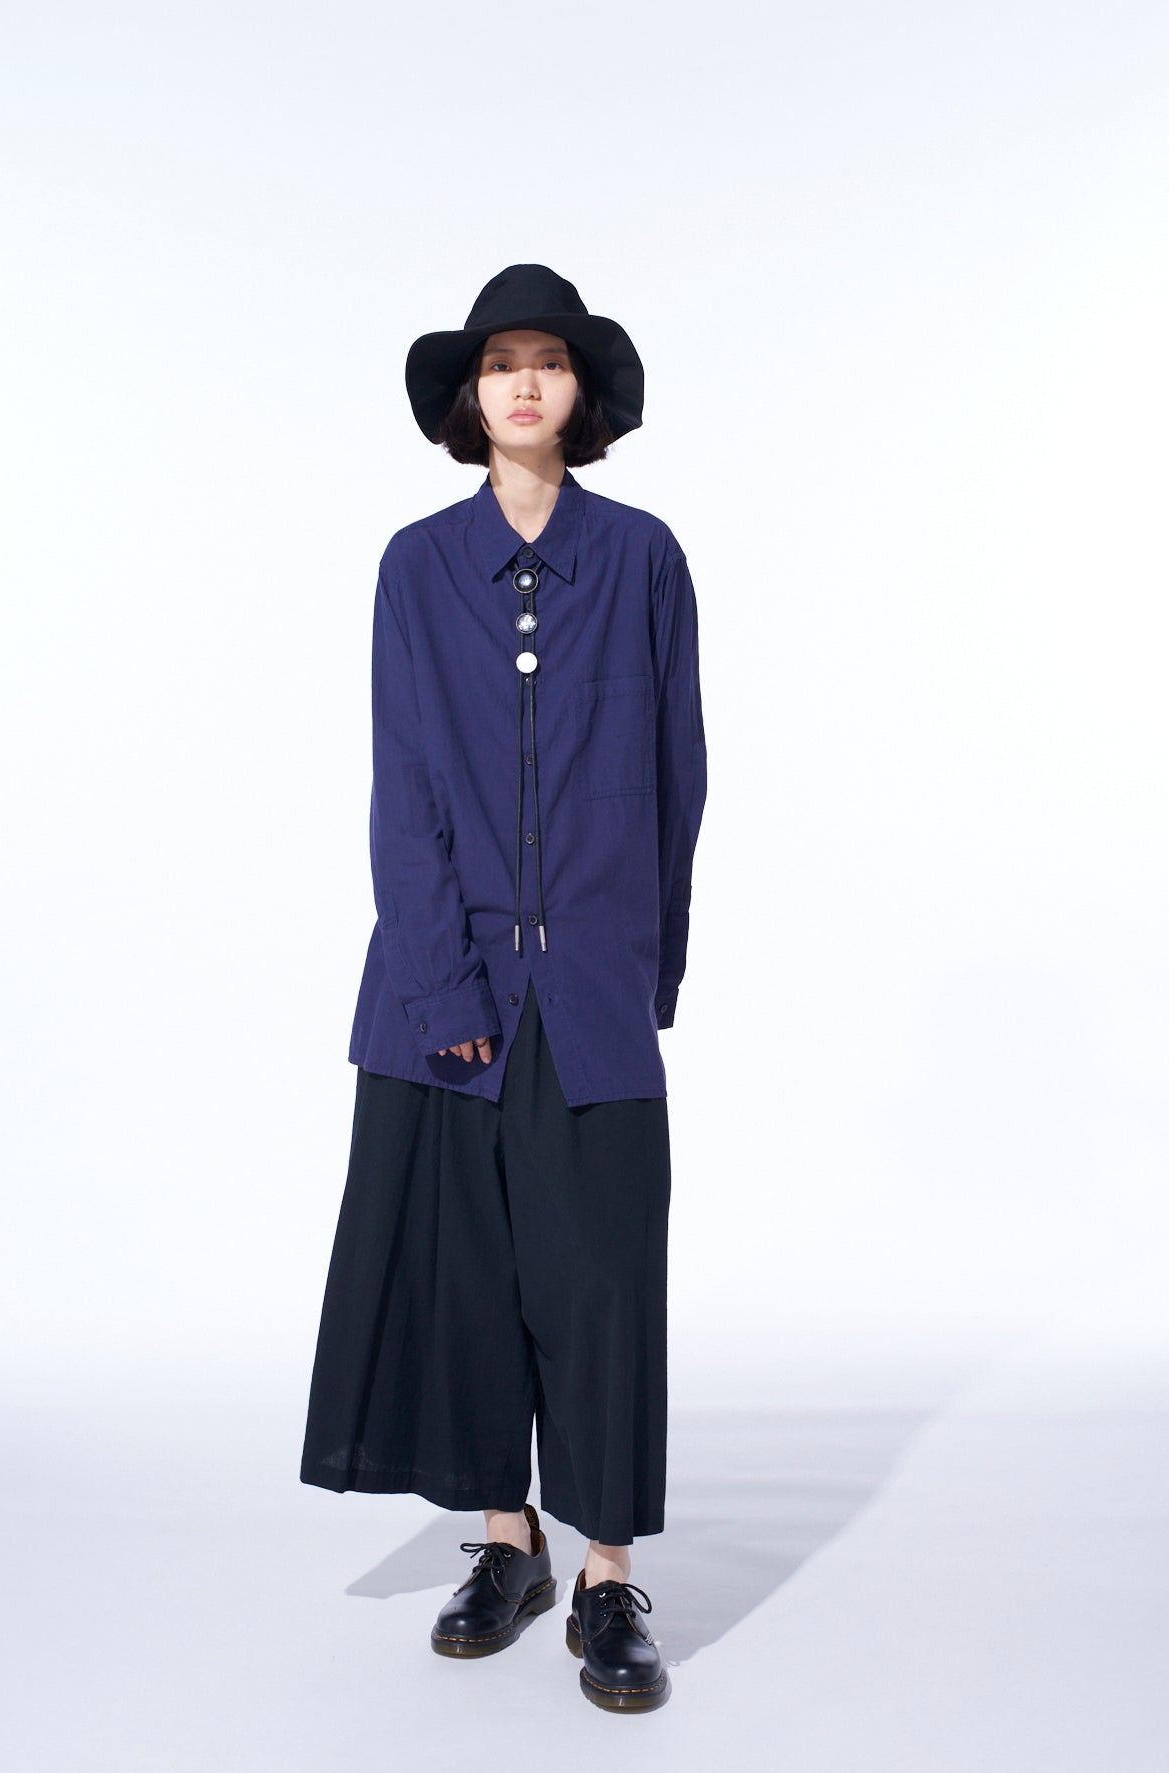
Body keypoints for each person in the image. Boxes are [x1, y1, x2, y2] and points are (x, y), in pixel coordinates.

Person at [299, 264, 708, 1713]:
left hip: (592, 990)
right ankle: (504, 1540)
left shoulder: (643, 557)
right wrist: (443, 980)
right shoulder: (417, 567)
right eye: (498, 363)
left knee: (602, 1285)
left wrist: (642, 971)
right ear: (470, 399)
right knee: (467, 1281)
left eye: (548, 360)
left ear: (580, 392)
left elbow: (677, 780)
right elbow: (401, 783)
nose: (524, 381)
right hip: (444, 992)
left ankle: (605, 1572)